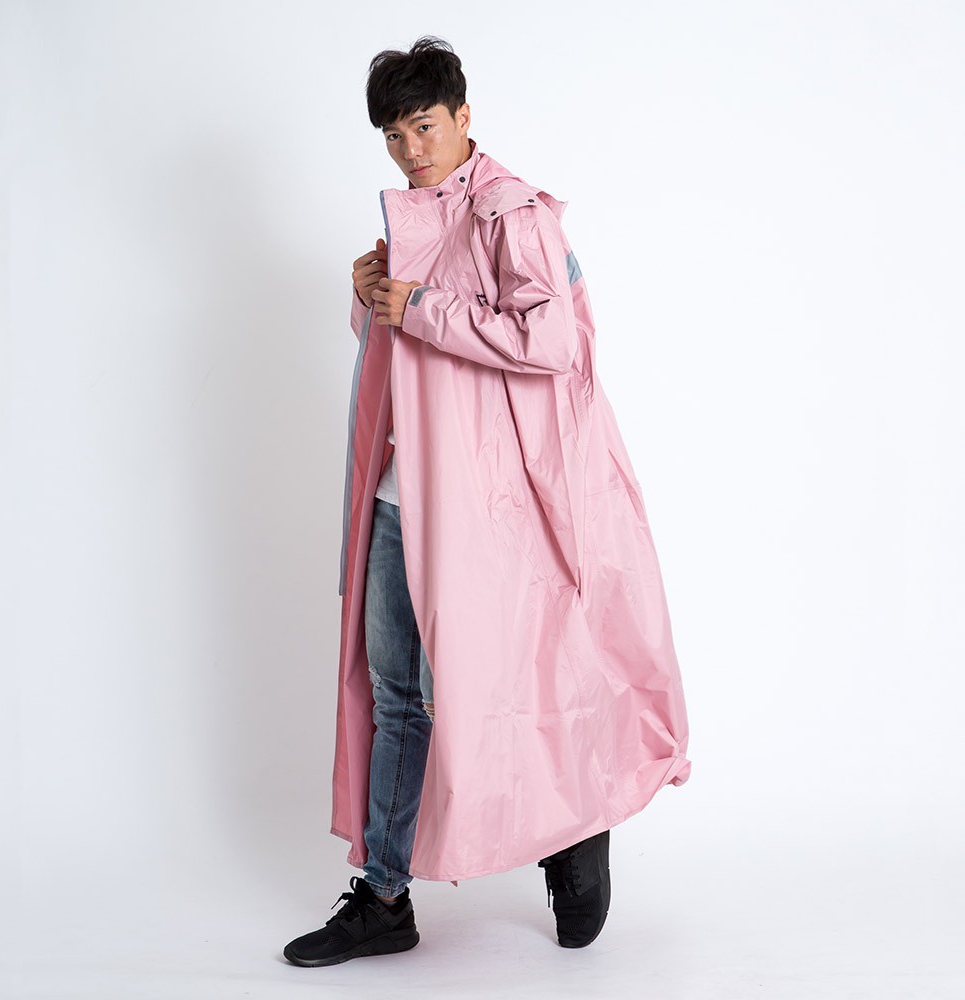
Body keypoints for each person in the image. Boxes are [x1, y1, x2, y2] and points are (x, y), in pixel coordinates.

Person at [283, 36, 691, 968]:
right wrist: (369, 298)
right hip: (399, 498)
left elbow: (552, 341)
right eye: (394, 136)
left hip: (485, 507)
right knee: (399, 697)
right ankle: (385, 896)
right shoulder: (417, 215)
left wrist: (419, 305)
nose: (411, 150)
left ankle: (573, 828)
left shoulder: (512, 212)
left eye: (425, 126)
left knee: (509, 684)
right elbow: (409, 363)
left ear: (464, 117)